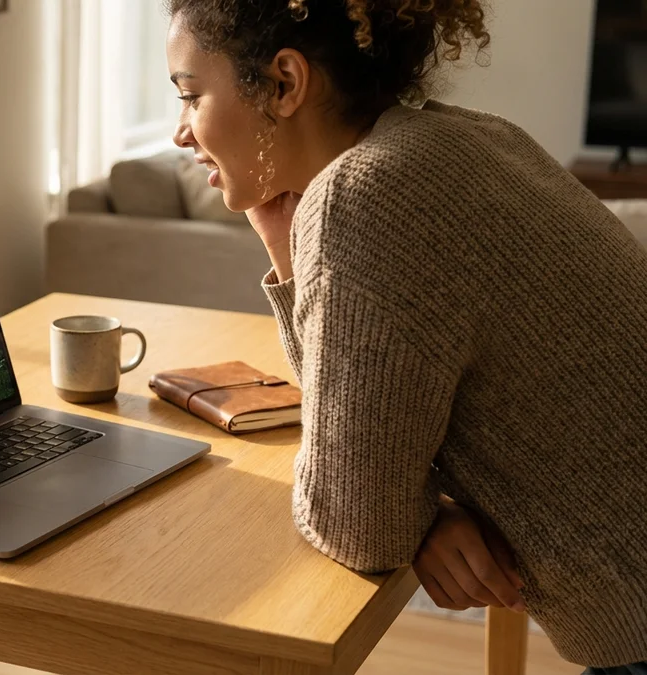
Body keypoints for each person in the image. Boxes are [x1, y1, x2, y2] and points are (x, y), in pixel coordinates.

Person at [164, 0, 647, 671]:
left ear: (284, 83)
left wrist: (409, 513)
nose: (180, 132)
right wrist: (285, 248)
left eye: (190, 96)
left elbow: (357, 521)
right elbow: (359, 424)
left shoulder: (365, 195)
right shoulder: (466, 135)